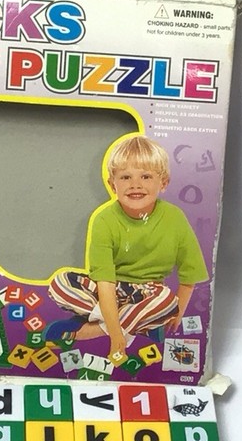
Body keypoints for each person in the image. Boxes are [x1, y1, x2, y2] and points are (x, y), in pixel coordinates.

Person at [46, 134, 209, 362]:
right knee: (60, 284)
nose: (135, 184)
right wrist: (116, 335)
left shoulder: (175, 218)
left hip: (149, 292)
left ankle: (87, 330)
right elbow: (104, 281)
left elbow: (190, 274)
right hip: (108, 289)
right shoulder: (105, 219)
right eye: (125, 177)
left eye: (146, 176)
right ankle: (138, 324)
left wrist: (177, 314)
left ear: (163, 182)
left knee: (166, 303)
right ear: (112, 184)